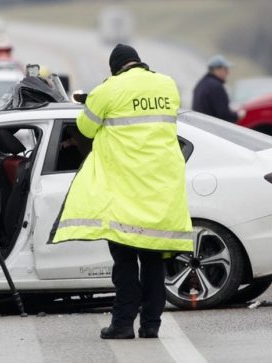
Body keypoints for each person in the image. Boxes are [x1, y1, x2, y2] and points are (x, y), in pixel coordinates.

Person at [51, 44, 193, 339]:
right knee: (153, 262)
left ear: (115, 67)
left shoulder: (109, 89)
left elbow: (85, 128)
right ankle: (151, 325)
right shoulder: (167, 85)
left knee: (125, 263)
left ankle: (123, 323)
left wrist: (93, 101)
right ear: (138, 62)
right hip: (160, 188)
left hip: (126, 191)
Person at [192, 54, 238, 122]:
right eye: (225, 69)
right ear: (217, 70)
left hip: (200, 125)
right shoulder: (215, 87)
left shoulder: (201, 84)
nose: (228, 72)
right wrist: (237, 115)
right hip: (210, 128)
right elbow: (223, 115)